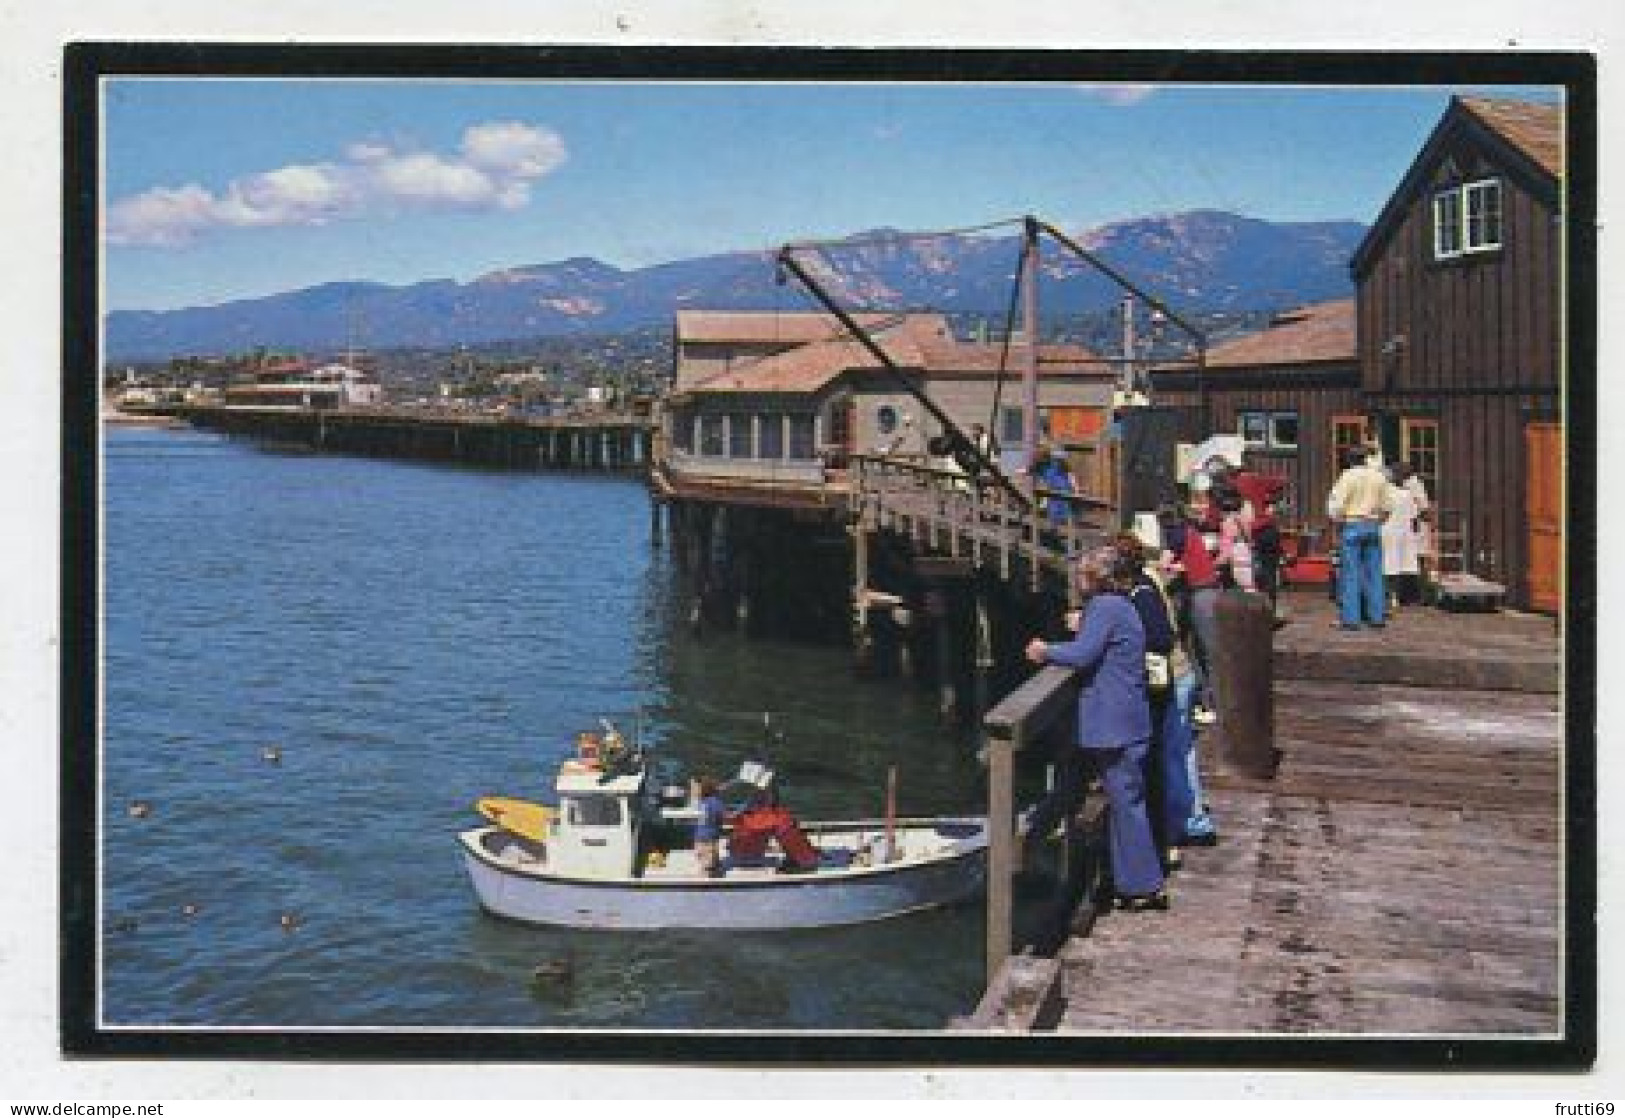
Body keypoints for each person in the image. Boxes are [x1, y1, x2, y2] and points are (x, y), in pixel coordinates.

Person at [1024, 547, 1167, 910]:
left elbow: (1083, 654)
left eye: (1082, 574)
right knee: (1125, 802)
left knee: (1126, 804)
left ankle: (1144, 886)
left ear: (1096, 578)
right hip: (1129, 718)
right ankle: (1132, 882)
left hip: (1115, 722)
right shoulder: (1118, 606)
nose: (1077, 579)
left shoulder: (1104, 608)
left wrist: (1046, 650)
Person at [1327, 446, 1395, 630]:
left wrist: (1339, 523)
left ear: (1349, 460)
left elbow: (1336, 507)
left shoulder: (1347, 477)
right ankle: (1377, 616)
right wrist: (1378, 521)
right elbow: (1388, 506)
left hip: (1352, 524)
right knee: (1374, 573)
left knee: (1351, 573)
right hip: (1372, 525)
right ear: (1365, 459)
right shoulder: (1378, 477)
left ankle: (1351, 619)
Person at [1382, 462, 1424, 607]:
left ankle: (1389, 595)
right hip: (1403, 531)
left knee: (1389, 562)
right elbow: (1414, 515)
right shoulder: (1406, 494)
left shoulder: (1386, 492)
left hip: (1387, 529)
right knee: (1403, 563)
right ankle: (1400, 596)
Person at [693, 777, 726, 877]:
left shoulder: (701, 802)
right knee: (710, 867)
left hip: (699, 838)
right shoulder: (715, 802)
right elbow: (721, 817)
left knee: (705, 864)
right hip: (710, 838)